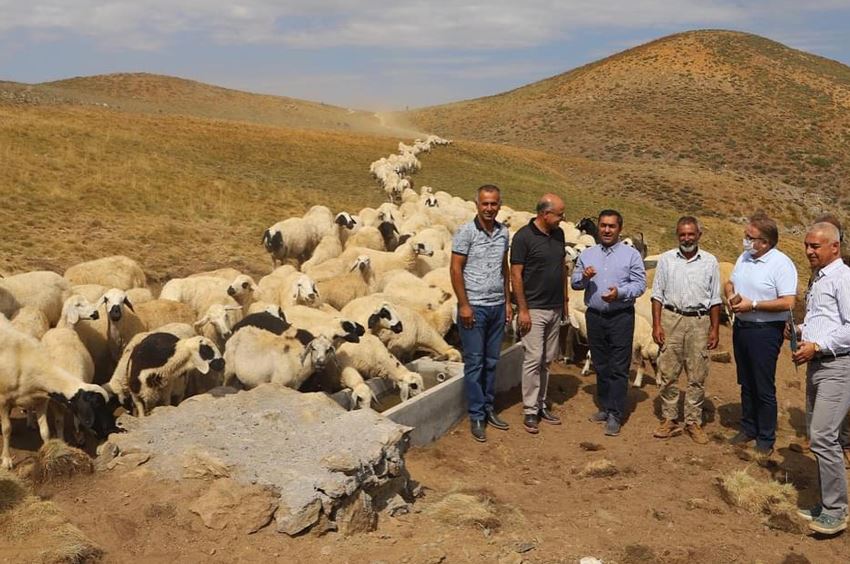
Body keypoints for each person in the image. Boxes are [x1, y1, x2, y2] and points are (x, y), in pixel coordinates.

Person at [791, 222, 850, 535]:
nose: (809, 251)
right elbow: (825, 319)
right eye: (807, 245)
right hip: (819, 364)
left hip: (837, 366)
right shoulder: (819, 277)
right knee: (819, 436)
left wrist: (818, 345)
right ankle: (827, 502)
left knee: (824, 436)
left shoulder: (843, 278)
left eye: (815, 246)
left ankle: (836, 511)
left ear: (834, 247)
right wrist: (801, 331)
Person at [725, 211, 797, 456]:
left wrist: (753, 305)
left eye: (750, 237)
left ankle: (765, 438)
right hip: (742, 327)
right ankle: (748, 428)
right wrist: (730, 294)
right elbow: (730, 282)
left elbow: (788, 302)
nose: (745, 240)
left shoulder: (782, 264)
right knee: (746, 381)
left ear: (765, 242)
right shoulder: (744, 257)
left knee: (762, 384)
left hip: (765, 331)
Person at [571, 210, 646, 437]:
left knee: (619, 366)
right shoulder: (588, 254)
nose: (606, 230)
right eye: (603, 225)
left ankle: (615, 413)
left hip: (620, 316)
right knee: (601, 364)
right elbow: (575, 283)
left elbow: (640, 285)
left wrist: (620, 293)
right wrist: (584, 277)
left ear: (619, 229)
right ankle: (605, 406)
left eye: (611, 226)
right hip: (594, 316)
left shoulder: (631, 256)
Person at [650, 217, 722, 444]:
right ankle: (670, 418)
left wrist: (714, 329)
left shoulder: (710, 261)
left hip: (699, 322)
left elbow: (715, 299)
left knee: (697, 374)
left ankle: (693, 422)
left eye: (691, 234)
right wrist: (657, 324)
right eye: (682, 234)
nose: (687, 238)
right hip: (671, 318)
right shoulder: (666, 260)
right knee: (667, 372)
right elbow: (657, 295)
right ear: (677, 235)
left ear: (699, 235)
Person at [450, 184, 511, 443]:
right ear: (477, 205)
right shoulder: (465, 232)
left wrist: (507, 302)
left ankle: (488, 407)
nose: (489, 208)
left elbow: (504, 267)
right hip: (474, 307)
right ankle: (476, 415)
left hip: (497, 306)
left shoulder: (503, 232)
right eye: (485, 203)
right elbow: (455, 269)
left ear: (499, 205)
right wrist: (464, 305)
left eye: (493, 204)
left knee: (492, 360)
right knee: (475, 362)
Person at [510, 193, 569, 434]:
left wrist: (564, 301)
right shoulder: (523, 237)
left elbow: (562, 268)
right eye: (559, 214)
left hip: (554, 307)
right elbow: (516, 274)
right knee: (533, 359)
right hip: (533, 308)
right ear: (545, 214)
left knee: (547, 359)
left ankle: (541, 404)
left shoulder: (559, 235)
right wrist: (523, 309)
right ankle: (530, 410)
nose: (562, 218)